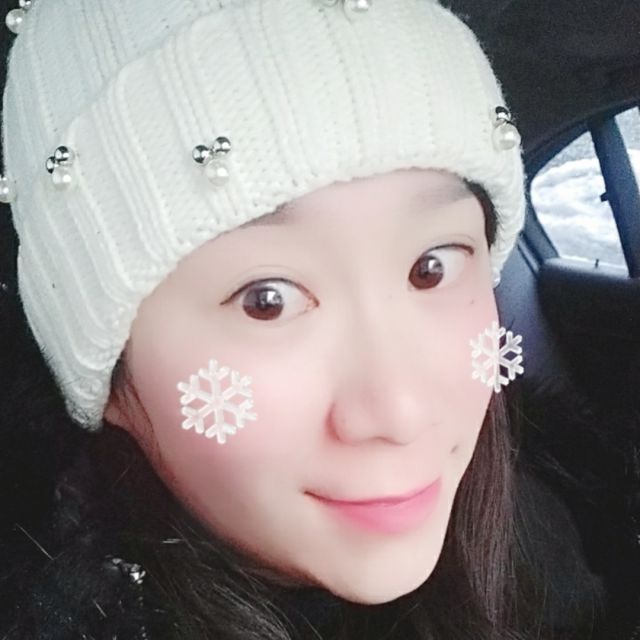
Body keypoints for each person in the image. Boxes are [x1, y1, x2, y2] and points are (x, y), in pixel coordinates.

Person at [0, 0, 597, 638]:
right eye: (268, 300)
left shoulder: (548, 545)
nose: (400, 412)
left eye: (431, 268)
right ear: (112, 379)